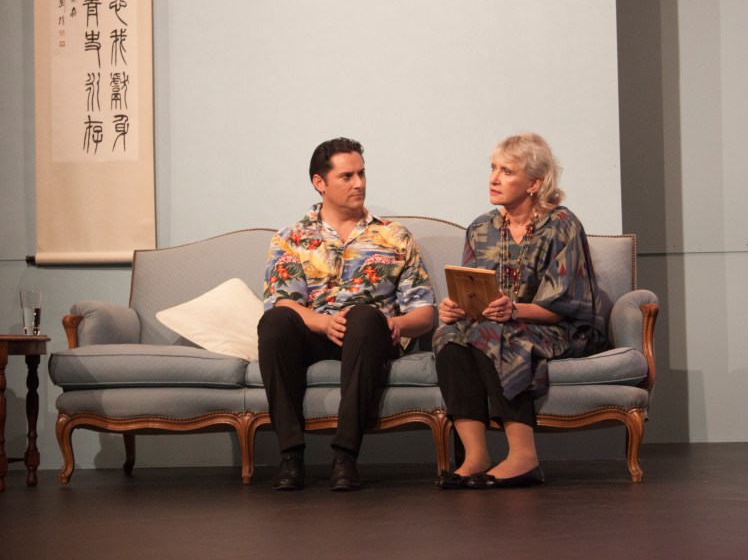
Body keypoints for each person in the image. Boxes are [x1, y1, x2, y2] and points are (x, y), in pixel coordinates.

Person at [258, 137, 436, 491]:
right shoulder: (292, 236)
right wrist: (324, 323)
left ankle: (345, 458)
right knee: (274, 323)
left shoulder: (394, 235)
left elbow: (425, 313)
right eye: (347, 176)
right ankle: (291, 457)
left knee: (364, 316)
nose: (359, 183)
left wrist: (394, 323)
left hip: (370, 337)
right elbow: (283, 302)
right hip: (315, 335)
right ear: (319, 182)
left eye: (362, 174)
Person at [434, 132, 607, 489]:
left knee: (496, 333)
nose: (494, 179)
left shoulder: (561, 225)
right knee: (449, 336)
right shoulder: (481, 228)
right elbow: (471, 290)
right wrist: (455, 308)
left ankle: (524, 456)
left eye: (507, 171)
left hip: (559, 328)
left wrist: (513, 311)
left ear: (534, 183)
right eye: (493, 168)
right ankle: (476, 455)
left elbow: (566, 306)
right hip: (496, 324)